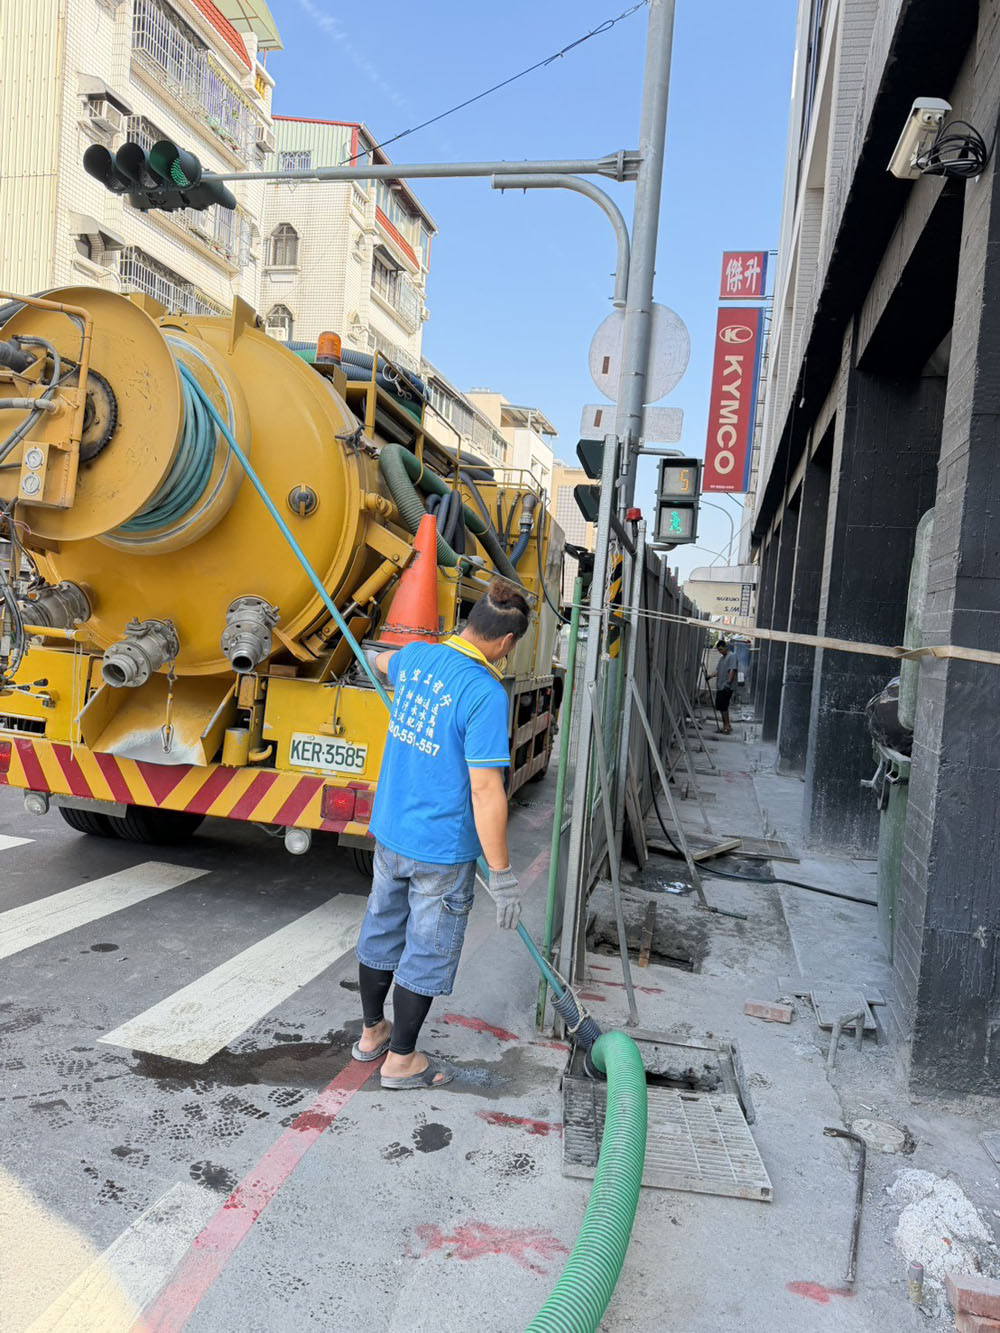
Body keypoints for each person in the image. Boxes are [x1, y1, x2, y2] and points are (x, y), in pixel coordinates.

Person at [352, 578, 531, 1090]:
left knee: (381, 931)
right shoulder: (484, 692)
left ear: (472, 621)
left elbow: (383, 662)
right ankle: (401, 1060)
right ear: (506, 641)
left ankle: (372, 1034)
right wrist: (502, 874)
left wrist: (370, 654)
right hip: (441, 849)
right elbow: (486, 790)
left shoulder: (418, 658)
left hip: (390, 834)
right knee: (427, 951)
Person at [710, 639, 739, 735]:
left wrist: (728, 683)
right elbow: (717, 670)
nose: (720, 651)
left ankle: (727, 726)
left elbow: (732, 670)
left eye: (721, 649)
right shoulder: (722, 659)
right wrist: (710, 676)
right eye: (719, 650)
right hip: (720, 686)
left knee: (724, 707)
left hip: (726, 687)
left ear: (726, 647)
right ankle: (726, 725)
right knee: (721, 707)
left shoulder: (732, 656)